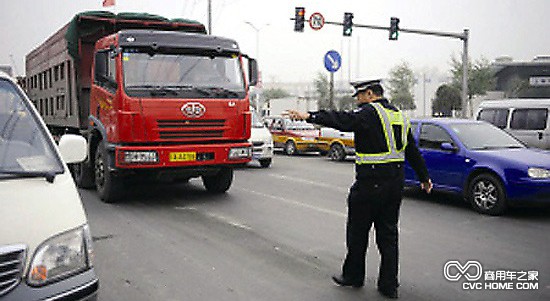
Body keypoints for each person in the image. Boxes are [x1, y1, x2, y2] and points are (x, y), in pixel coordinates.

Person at [285, 79, 432, 299]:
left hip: (370, 184)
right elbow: (411, 149)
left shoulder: (369, 112)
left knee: (358, 232)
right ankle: (389, 285)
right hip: (394, 184)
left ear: (370, 94)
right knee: (389, 235)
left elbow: (343, 120)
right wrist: (424, 177)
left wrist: (311, 116)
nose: (358, 101)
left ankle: (353, 276)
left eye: (360, 96)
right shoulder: (398, 115)